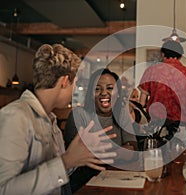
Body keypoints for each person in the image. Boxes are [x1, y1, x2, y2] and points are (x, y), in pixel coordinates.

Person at [0, 44, 116, 195]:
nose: (74, 90)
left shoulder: (51, 121)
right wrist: (66, 161)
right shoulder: (15, 116)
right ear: (65, 81)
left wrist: (79, 156)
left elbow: (59, 176)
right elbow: (4, 189)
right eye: (75, 83)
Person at [64, 68, 138, 192]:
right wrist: (120, 151)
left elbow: (133, 149)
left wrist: (101, 153)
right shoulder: (78, 115)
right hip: (83, 185)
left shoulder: (121, 113)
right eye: (97, 89)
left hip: (117, 180)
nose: (104, 93)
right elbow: (77, 161)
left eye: (110, 88)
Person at [138, 40, 186, 145]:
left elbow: (141, 103)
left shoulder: (151, 71)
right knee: (180, 160)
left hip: (156, 127)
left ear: (163, 54)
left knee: (155, 159)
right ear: (180, 56)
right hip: (181, 128)